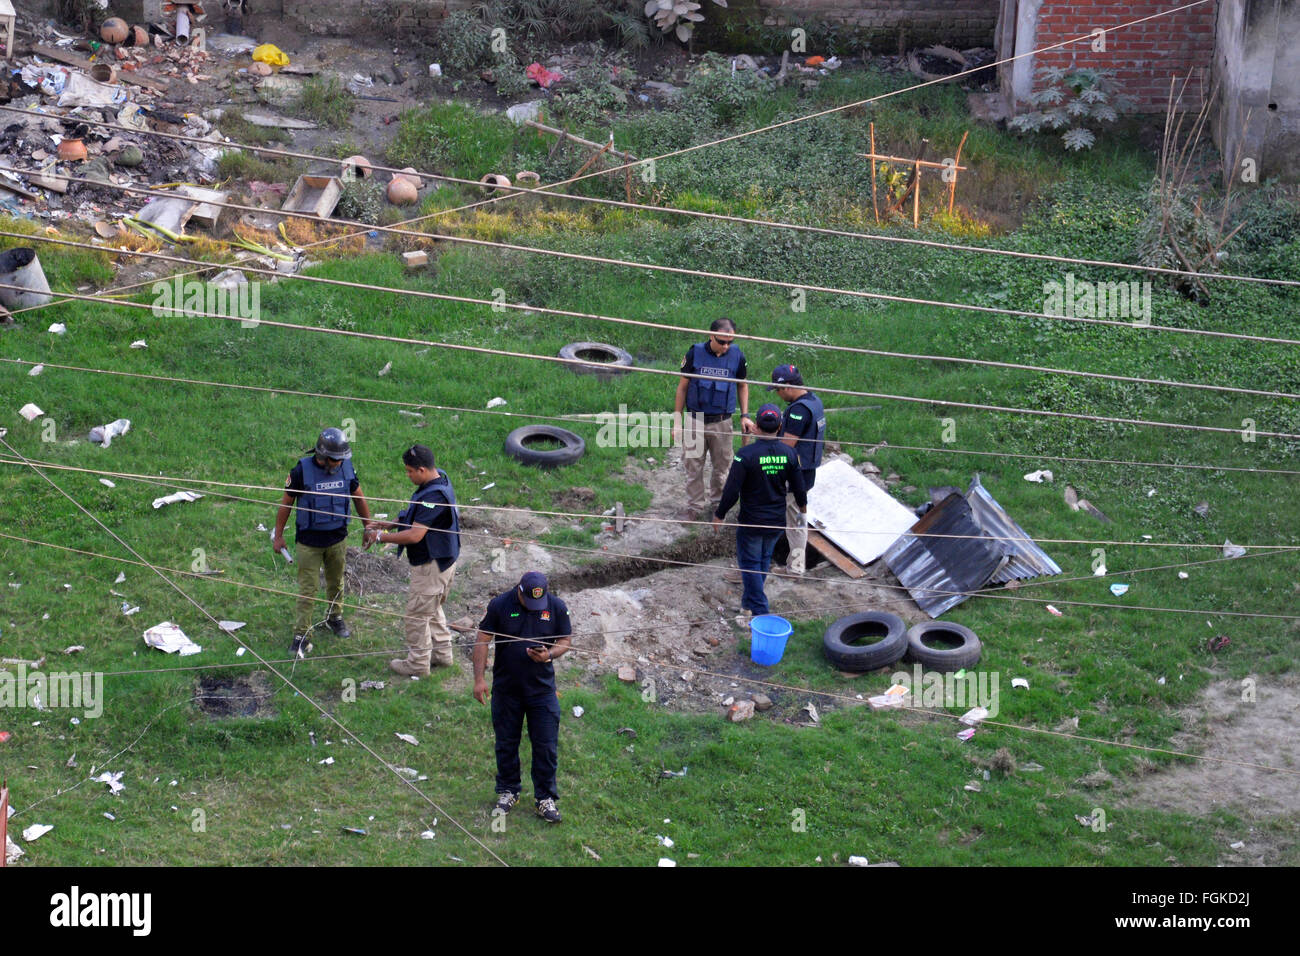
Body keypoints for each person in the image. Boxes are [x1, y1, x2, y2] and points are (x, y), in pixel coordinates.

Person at [472, 571, 572, 824]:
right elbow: (483, 639)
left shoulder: (556, 606)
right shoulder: (500, 605)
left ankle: (545, 798)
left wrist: (549, 655)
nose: (533, 607)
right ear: (520, 591)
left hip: (542, 691)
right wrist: (479, 680)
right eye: (529, 601)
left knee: (546, 746)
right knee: (506, 743)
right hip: (507, 690)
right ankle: (508, 791)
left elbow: (565, 639)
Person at [273, 427, 373, 660]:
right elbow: (286, 504)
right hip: (309, 542)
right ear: (322, 456)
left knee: (336, 582)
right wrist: (278, 536)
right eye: (335, 460)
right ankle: (301, 635)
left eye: (341, 459)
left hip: (337, 539)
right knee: (308, 590)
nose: (339, 463)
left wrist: (368, 527)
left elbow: (359, 497)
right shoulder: (301, 471)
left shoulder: (347, 468)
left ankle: (335, 617)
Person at [363, 445, 461, 676]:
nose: (407, 475)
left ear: (423, 470)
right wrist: (390, 523)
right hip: (445, 561)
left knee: (416, 616)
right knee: (432, 608)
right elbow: (416, 514)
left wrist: (380, 537)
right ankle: (442, 655)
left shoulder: (434, 496)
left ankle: (417, 664)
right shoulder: (440, 481)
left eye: (409, 471)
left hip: (431, 566)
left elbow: (415, 535)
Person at [712, 404, 807, 621]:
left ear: (755, 426)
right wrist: (802, 513)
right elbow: (799, 489)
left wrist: (720, 514)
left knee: (750, 565)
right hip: (775, 521)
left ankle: (760, 612)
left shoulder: (745, 455)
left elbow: (731, 490)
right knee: (763, 560)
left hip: (751, 522)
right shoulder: (790, 453)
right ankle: (748, 605)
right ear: (780, 427)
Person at [672, 317, 756, 521]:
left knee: (722, 468)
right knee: (693, 466)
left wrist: (745, 415)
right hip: (695, 419)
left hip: (722, 422)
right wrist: (677, 421)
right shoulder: (694, 353)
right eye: (722, 341)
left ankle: (718, 505)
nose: (726, 346)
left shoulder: (737, 356)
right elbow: (682, 387)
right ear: (711, 336)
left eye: (730, 342)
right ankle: (694, 507)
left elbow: (742, 385)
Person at [770, 364, 826, 576]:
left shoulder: (798, 411)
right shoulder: (814, 401)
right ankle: (796, 566)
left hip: (792, 479)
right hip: (806, 476)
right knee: (799, 519)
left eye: (778, 389)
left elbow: (786, 447)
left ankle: (792, 569)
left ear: (787, 387)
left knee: (782, 521)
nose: (778, 394)